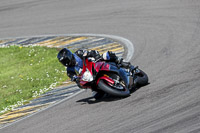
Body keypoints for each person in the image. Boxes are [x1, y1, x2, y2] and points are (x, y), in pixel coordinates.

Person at [57, 48, 133, 99]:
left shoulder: (78, 53)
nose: (66, 62)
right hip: (89, 77)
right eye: (63, 62)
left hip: (95, 64)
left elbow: (91, 52)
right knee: (97, 96)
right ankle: (107, 88)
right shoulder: (69, 70)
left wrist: (96, 56)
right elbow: (73, 77)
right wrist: (76, 79)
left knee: (106, 55)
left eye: (66, 60)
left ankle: (120, 62)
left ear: (69, 55)